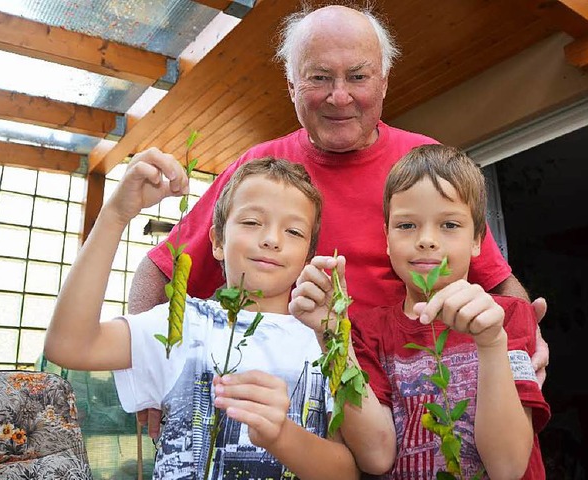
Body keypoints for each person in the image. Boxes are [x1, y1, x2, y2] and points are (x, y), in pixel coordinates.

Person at [130, 3, 549, 439]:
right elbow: (159, 269)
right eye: (319, 77)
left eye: (358, 76)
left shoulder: (422, 167)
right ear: (291, 84)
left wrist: (526, 340)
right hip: (281, 409)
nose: (340, 96)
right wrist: (154, 376)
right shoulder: (259, 170)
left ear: (384, 82)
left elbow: (499, 285)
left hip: (408, 417)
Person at [44, 156, 360, 480]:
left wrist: (282, 435)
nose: (272, 239)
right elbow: (69, 346)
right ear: (217, 242)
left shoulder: (324, 339)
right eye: (252, 222)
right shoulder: (185, 324)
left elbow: (346, 472)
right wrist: (115, 215)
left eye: (293, 231)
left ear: (308, 255)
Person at [292, 144, 551, 478]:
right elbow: (375, 456)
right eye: (406, 226)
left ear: (478, 240)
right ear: (386, 238)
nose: (427, 240)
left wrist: (491, 344)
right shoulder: (365, 330)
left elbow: (508, 467)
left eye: (449, 225)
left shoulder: (508, 317)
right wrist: (332, 336)